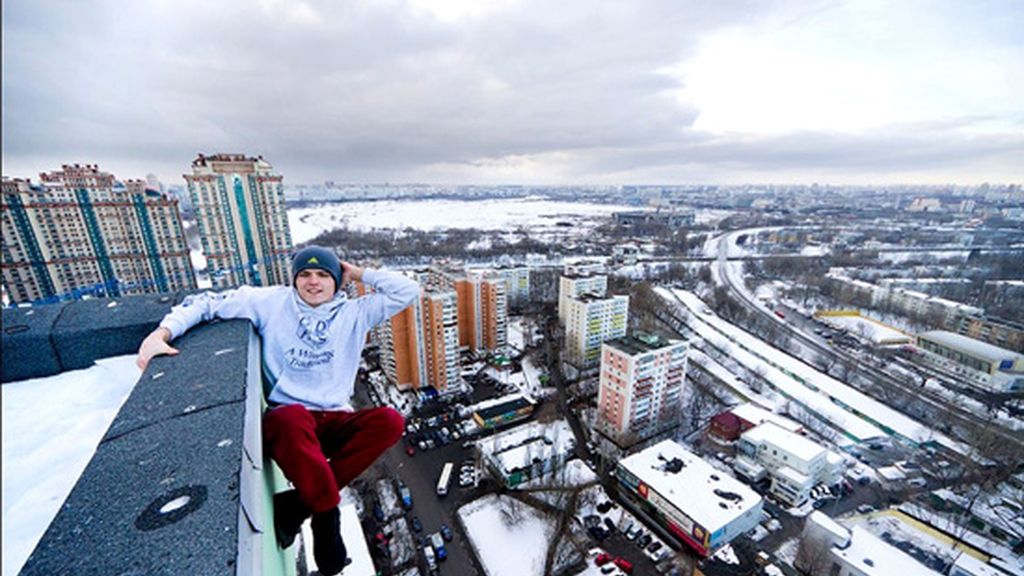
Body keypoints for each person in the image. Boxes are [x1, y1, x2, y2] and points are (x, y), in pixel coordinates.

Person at [136, 246, 420, 575]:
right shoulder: (271, 302)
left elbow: (408, 290)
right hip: (291, 425)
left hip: (334, 419)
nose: (313, 282)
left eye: (323, 275)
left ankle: (298, 505)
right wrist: (161, 333)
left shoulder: (356, 312)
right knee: (289, 416)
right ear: (294, 279)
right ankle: (326, 517)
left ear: (337, 281)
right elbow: (207, 303)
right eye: (305, 275)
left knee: (389, 421)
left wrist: (358, 273)